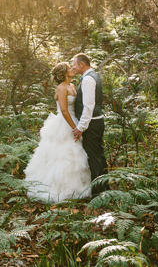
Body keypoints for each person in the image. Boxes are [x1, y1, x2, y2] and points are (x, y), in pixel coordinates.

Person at [24, 62, 91, 203]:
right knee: (61, 155)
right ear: (64, 73)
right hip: (65, 123)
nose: (72, 69)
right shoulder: (61, 88)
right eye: (69, 68)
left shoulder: (72, 86)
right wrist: (75, 128)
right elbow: (64, 110)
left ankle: (77, 187)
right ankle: (57, 189)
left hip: (75, 120)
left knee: (75, 153)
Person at [71, 53, 108, 196]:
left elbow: (88, 107)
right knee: (98, 155)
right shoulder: (92, 76)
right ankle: (103, 187)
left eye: (74, 64)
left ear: (82, 64)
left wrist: (81, 127)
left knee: (94, 157)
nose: (73, 67)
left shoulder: (87, 80)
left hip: (92, 124)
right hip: (95, 122)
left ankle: (99, 192)